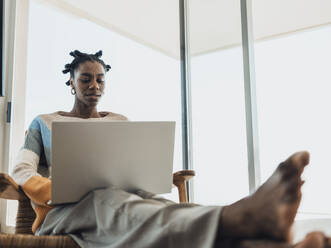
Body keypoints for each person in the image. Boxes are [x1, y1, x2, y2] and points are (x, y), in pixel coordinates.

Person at [11, 50, 331, 248]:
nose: (94, 86)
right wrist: (52, 188)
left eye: (100, 80)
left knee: (154, 206)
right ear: (71, 82)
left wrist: (158, 176)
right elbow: (22, 169)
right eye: (85, 80)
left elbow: (129, 169)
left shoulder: (121, 121)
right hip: (60, 212)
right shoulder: (44, 122)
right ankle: (239, 215)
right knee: (106, 201)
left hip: (117, 201)